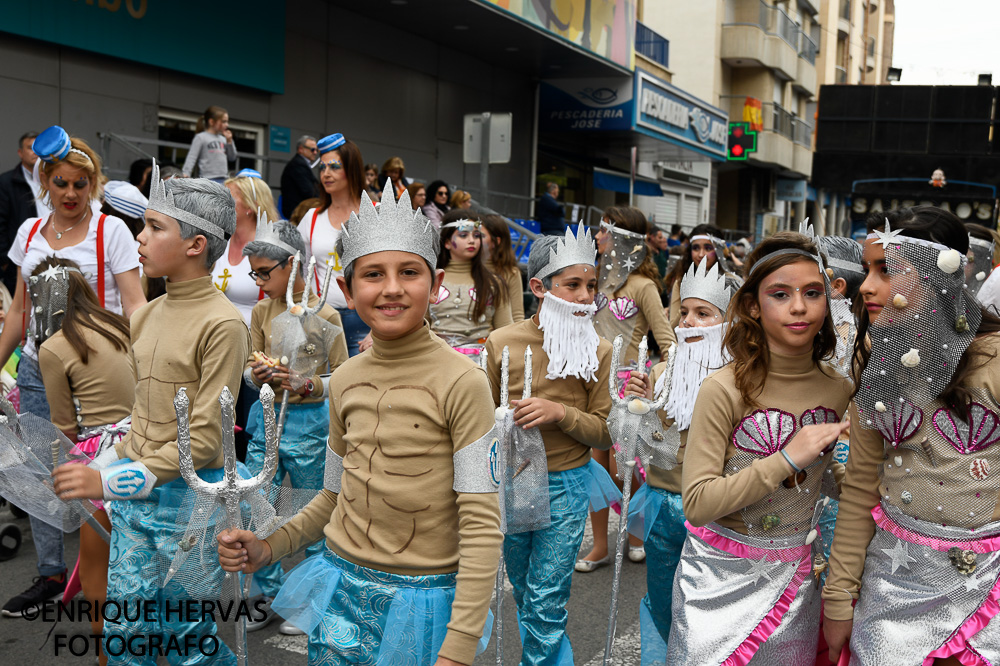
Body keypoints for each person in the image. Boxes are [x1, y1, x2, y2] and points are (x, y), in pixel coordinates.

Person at [217, 179, 501, 666]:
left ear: (435, 286)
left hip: (423, 602)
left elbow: (481, 524)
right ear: (347, 289)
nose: (391, 288)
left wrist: (457, 648)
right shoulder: (344, 379)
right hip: (340, 590)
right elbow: (332, 495)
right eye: (373, 275)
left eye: (409, 272)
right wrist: (269, 547)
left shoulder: (465, 382)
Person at [52, 165, 249, 664]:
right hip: (139, 505)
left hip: (189, 508)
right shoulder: (144, 316)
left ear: (195, 245)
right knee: (126, 634)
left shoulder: (223, 323)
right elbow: (142, 420)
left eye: (155, 227)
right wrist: (100, 465)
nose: (140, 237)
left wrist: (112, 481)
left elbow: (204, 441)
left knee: (187, 644)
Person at [824, 207, 1000, 665]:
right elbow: (862, 483)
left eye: (887, 270)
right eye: (867, 270)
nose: (866, 286)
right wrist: (840, 595)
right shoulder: (871, 355)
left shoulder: (994, 358)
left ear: (934, 276)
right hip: (895, 585)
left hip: (989, 588)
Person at [667, 231, 851, 664]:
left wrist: (851, 471)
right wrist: (786, 458)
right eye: (780, 294)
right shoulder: (723, 388)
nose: (800, 307)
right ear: (753, 305)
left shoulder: (841, 389)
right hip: (716, 576)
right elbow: (697, 502)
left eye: (812, 293)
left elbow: (834, 485)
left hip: (794, 579)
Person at [0, 126, 145, 620]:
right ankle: (50, 573)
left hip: (98, 373)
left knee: (110, 470)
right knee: (44, 471)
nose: (69, 193)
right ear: (45, 180)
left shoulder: (113, 231)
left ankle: (118, 572)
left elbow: (136, 306)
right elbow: (19, 313)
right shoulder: (29, 233)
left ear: (94, 185)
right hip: (41, 369)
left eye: (80, 184)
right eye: (60, 182)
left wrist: (145, 368)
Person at [485, 228, 620, 666]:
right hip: (514, 480)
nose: (585, 296)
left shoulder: (598, 351)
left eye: (592, 285)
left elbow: (605, 431)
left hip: (568, 482)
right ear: (539, 287)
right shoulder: (502, 343)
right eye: (573, 285)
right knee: (524, 590)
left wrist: (560, 413)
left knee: (547, 598)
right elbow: (481, 418)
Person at [622, 258, 734, 660]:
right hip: (659, 502)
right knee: (662, 601)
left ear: (729, 322)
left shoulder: (740, 378)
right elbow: (636, 447)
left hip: (712, 512)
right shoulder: (661, 371)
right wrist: (637, 407)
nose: (687, 322)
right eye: (683, 312)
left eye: (703, 313)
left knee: (705, 608)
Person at [241, 219, 348, 633]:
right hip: (266, 420)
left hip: (311, 426)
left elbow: (341, 374)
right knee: (258, 503)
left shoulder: (326, 313)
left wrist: (307, 384)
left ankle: (309, 597)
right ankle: (267, 594)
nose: (259, 281)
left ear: (294, 264)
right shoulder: (263, 309)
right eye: (255, 273)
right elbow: (249, 367)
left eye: (266, 272)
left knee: (309, 510)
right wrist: (259, 374)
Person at [34, 257, 134, 664]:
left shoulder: (54, 347)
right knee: (143, 556)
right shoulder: (119, 325)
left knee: (97, 565)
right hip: (147, 445)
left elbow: (64, 427)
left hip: (102, 458)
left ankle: (106, 653)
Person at [578, 206, 676, 570]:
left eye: (605, 231)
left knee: (625, 470)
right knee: (595, 469)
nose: (598, 237)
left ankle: (635, 536)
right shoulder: (588, 280)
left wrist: (661, 382)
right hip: (589, 383)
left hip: (627, 388)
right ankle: (600, 545)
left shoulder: (644, 286)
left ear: (624, 241)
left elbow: (665, 340)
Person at [299, 133, 370, 356]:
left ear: (352, 169)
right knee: (320, 389)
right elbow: (301, 273)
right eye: (322, 167)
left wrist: (380, 328)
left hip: (367, 320)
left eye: (335, 167)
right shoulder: (311, 218)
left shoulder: (375, 213)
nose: (326, 174)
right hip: (319, 319)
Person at [429, 210, 512, 363]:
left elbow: (505, 330)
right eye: (463, 235)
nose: (472, 240)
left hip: (480, 364)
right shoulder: (429, 280)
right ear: (447, 242)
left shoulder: (494, 283)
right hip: (435, 361)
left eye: (476, 235)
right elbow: (419, 325)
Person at [216, 171, 281, 325]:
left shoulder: (271, 248)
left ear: (250, 206)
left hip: (255, 339)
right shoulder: (218, 242)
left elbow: (282, 304)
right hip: (216, 335)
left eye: (228, 197)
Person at [664, 223, 728, 329]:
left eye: (708, 248)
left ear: (718, 251)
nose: (701, 254)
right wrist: (687, 308)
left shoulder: (731, 281)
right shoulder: (681, 282)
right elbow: (672, 327)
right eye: (696, 248)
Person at [0, 131, 39, 292]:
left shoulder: (52, 180)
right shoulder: (6, 182)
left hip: (48, 255)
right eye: (30, 148)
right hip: (18, 261)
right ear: (20, 153)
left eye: (38, 147)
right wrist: (5, 260)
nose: (35, 152)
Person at [481, 214, 524, 322]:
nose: (473, 239)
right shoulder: (467, 267)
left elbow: (517, 315)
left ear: (496, 241)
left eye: (480, 236)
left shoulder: (511, 272)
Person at [181, 105, 236, 182]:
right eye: (224, 121)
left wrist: (229, 141)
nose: (227, 125)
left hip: (224, 178)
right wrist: (186, 173)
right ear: (211, 122)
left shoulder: (224, 139)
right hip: (207, 179)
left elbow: (232, 157)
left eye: (227, 121)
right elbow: (192, 157)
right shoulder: (201, 137)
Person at [280, 135, 319, 219]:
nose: (315, 152)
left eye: (317, 150)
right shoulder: (298, 165)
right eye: (312, 149)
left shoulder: (300, 164)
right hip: (297, 213)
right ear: (301, 149)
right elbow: (309, 192)